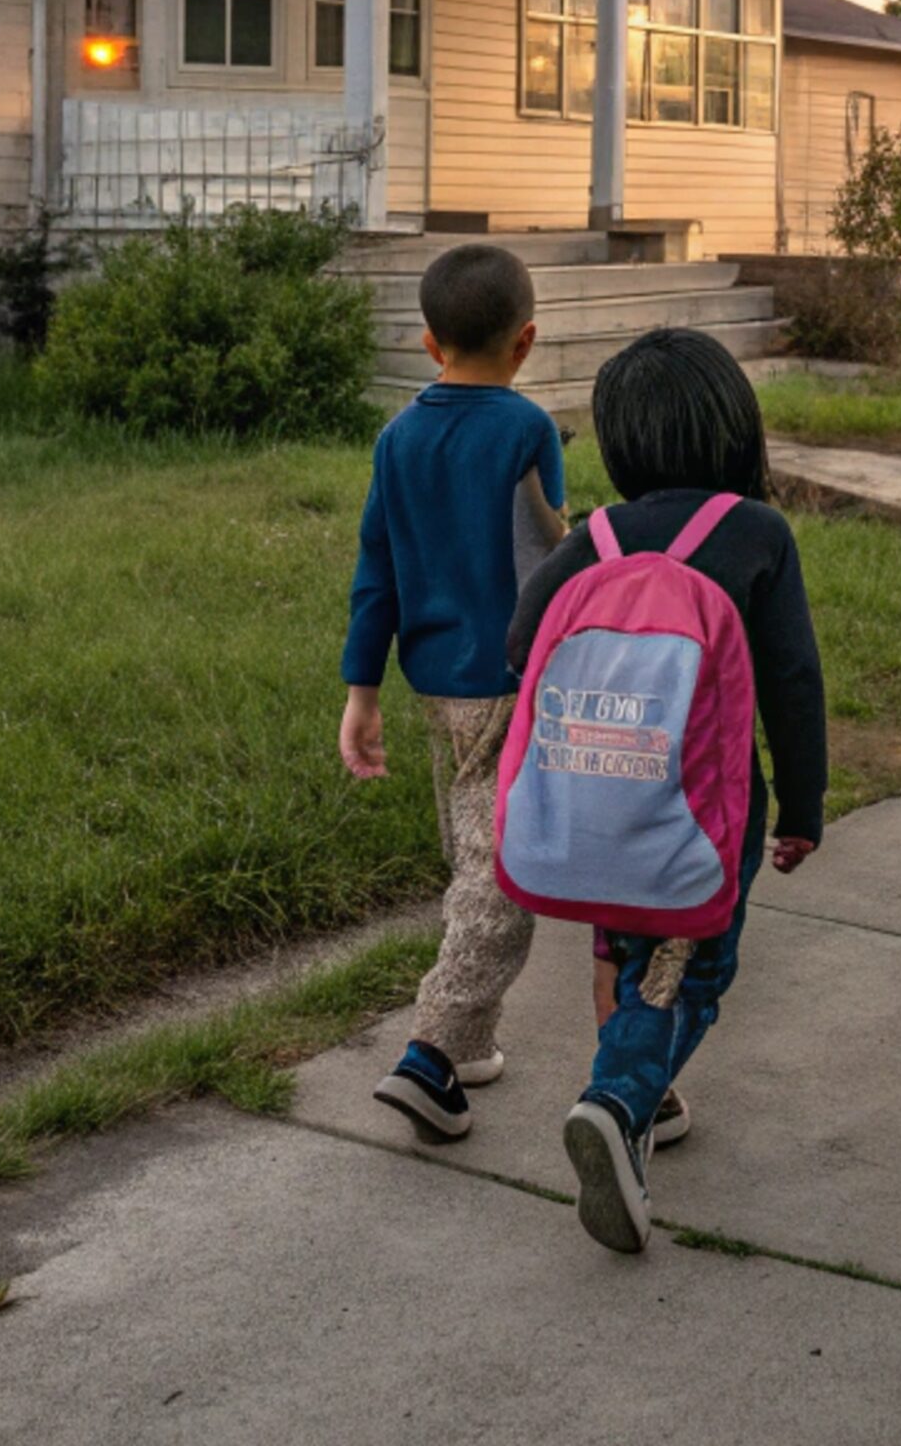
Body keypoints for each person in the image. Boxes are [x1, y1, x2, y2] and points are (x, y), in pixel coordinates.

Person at [509, 328, 827, 1255]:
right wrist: (803, 809)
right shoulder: (758, 534)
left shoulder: (595, 538)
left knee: (621, 946)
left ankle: (641, 1104)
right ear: (736, 428)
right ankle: (619, 1097)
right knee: (694, 968)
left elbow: (519, 646)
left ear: (619, 441)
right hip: (706, 819)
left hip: (594, 809)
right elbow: (792, 683)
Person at [342, 242, 567, 1142]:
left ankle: (467, 1042)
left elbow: (376, 567)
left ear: (430, 345)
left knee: (468, 841)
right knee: (499, 870)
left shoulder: (397, 437)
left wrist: (361, 691)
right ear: (527, 341)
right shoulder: (524, 431)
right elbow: (541, 560)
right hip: (509, 679)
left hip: (431, 679)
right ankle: (432, 1054)